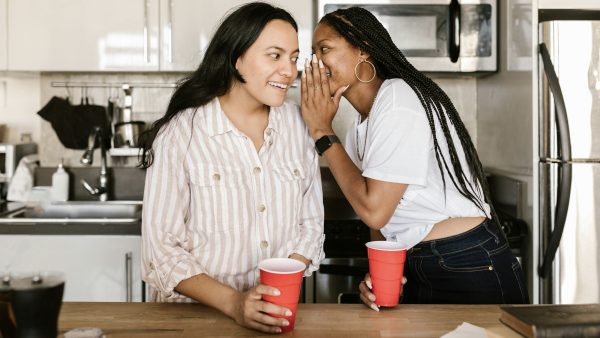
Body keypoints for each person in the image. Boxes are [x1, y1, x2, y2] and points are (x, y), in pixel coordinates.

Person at [300, 7, 529, 309]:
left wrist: (321, 131)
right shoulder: (364, 123)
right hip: (425, 262)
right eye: (312, 52)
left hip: (467, 264)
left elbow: (375, 210)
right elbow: (382, 217)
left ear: (363, 49)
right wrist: (380, 271)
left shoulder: (397, 98)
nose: (314, 62)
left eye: (324, 49)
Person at [138, 3, 324, 333]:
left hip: (273, 318)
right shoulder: (182, 133)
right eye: (275, 55)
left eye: (294, 57)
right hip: (190, 323)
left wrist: (273, 294)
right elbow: (161, 252)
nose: (289, 70)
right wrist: (235, 304)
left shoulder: (299, 126)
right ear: (236, 58)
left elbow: (310, 227)